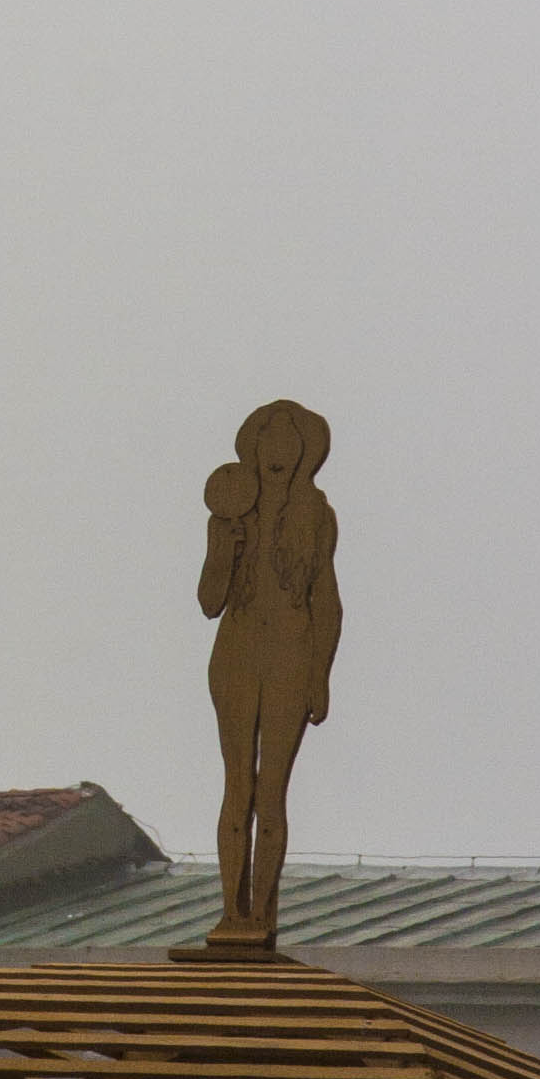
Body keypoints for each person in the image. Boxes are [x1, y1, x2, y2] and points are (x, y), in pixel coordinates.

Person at [198, 399, 340, 948]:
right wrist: (225, 550)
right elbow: (210, 601)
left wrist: (319, 674)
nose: (277, 453)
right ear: (252, 449)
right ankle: (230, 911)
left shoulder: (316, 514)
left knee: (271, 790)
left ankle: (259, 910)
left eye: (288, 443)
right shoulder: (230, 513)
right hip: (236, 652)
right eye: (268, 442)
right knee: (237, 785)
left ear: (304, 452)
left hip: (291, 653)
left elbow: (325, 599)